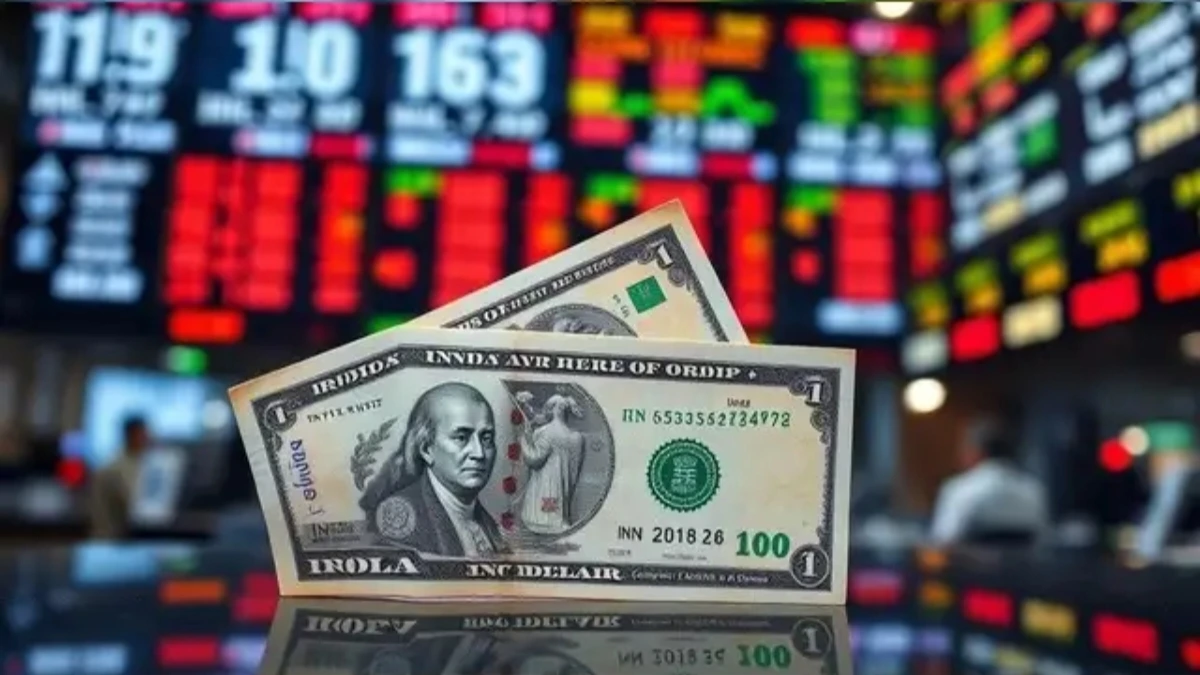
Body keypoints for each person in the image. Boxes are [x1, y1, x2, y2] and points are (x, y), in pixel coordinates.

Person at [359, 382, 505, 557]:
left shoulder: (486, 522)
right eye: (461, 437)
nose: (479, 453)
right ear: (427, 449)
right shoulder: (401, 519)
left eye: (486, 438)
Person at [929, 415, 1049, 544]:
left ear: (976, 451)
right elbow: (1043, 540)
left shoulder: (960, 489)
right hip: (1026, 565)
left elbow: (943, 540)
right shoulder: (1034, 490)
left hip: (968, 564)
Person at [517, 394, 586, 535]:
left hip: (543, 501)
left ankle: (547, 518)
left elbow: (533, 459)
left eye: (547, 409)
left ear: (552, 410)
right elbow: (574, 473)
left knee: (545, 518)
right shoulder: (577, 438)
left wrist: (524, 439)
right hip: (563, 501)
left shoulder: (546, 432)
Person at [88, 415, 150, 540]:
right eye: (142, 434)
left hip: (124, 539)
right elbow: (134, 506)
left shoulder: (139, 462)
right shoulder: (115, 468)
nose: (147, 439)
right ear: (131, 435)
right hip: (110, 541)